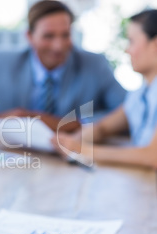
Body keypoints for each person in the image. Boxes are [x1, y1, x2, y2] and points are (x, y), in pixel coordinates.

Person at [0, 0, 126, 139]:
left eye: (65, 35)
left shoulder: (94, 65)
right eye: (49, 36)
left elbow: (130, 112)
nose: (59, 46)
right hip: (14, 160)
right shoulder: (1, 62)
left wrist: (77, 124)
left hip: (73, 160)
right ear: (29, 36)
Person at [52, 9, 157, 169]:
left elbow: (152, 156)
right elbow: (102, 128)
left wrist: (84, 150)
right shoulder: (140, 95)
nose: (126, 50)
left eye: (131, 41)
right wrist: (72, 140)